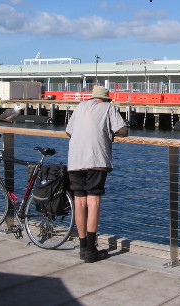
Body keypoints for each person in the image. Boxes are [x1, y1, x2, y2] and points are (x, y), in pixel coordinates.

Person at [66, 85, 128, 263]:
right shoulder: (109, 107)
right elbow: (122, 131)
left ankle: (83, 246)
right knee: (93, 203)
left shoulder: (80, 106)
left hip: (75, 161)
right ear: (106, 99)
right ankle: (91, 250)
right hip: (96, 160)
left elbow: (68, 131)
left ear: (93, 97)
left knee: (79, 202)